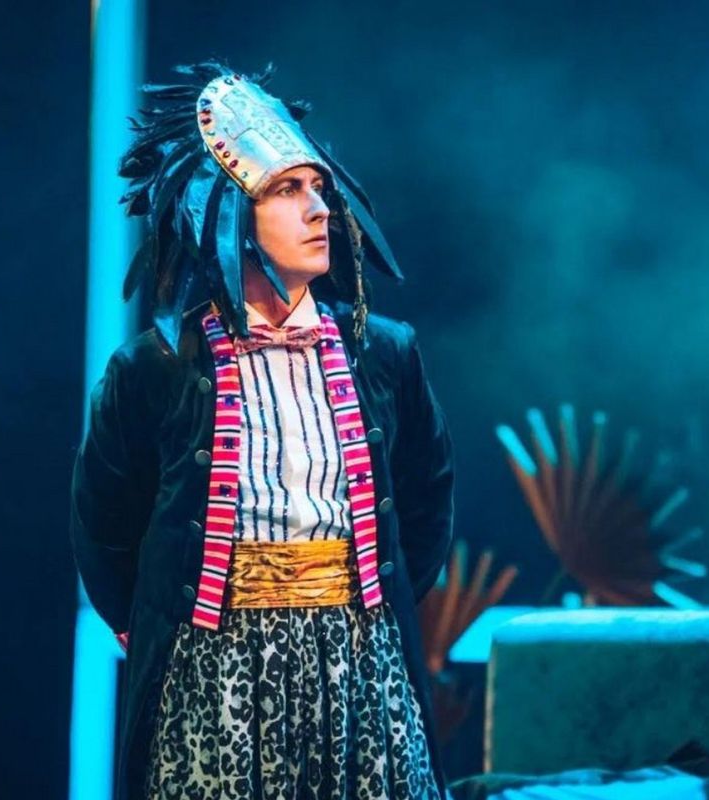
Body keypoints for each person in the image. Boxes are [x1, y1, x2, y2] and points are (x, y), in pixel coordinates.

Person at [71, 61, 454, 800]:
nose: (319, 210)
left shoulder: (383, 352)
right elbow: (104, 521)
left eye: (318, 188)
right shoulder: (155, 368)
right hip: (214, 662)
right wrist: (161, 621)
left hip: (359, 656)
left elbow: (426, 497)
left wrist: (374, 599)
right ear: (228, 215)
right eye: (286, 190)